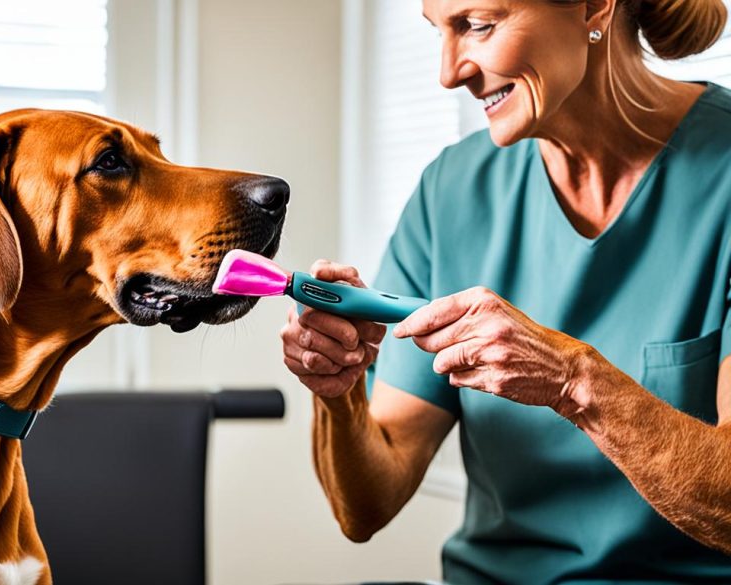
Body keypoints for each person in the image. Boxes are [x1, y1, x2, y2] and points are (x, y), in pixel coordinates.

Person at [280, 0, 731, 582]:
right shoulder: (450, 192)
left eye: (477, 25)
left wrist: (573, 380)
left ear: (594, 7)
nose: (449, 73)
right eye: (439, 32)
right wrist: (338, 392)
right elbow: (365, 507)